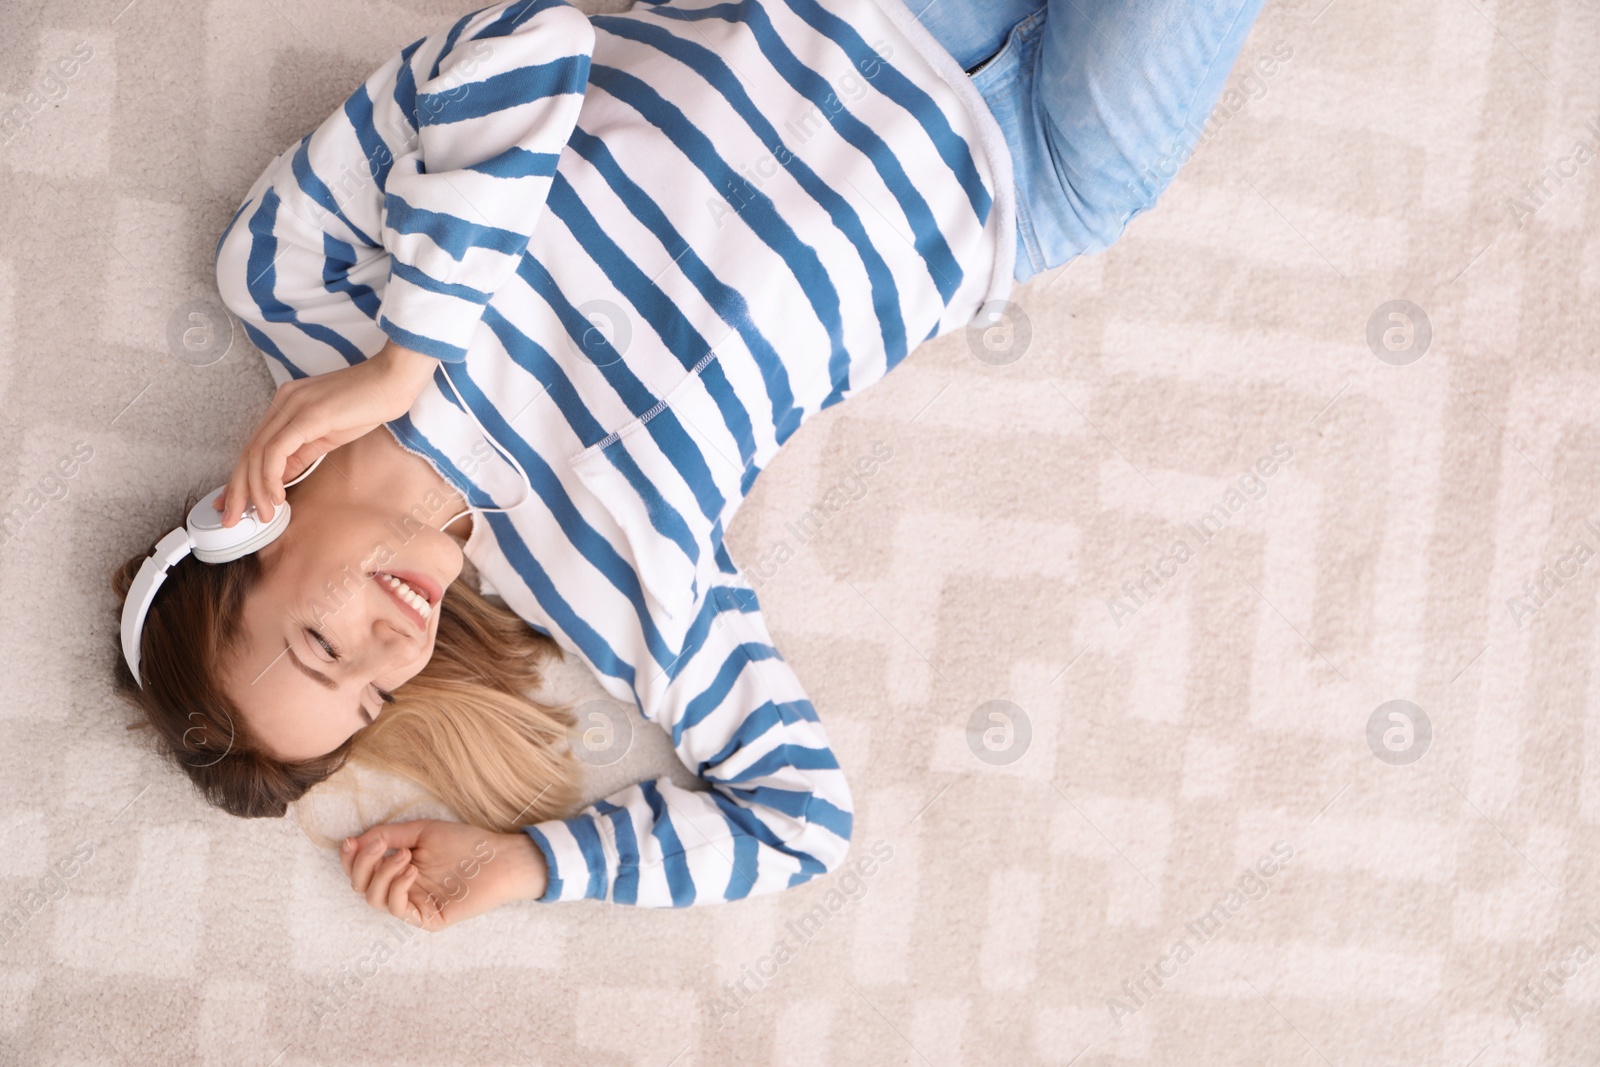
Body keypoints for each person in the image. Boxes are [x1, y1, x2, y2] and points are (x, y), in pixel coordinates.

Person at [112, 0, 1267, 929]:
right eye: (369, 696)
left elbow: (532, 41)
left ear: (242, 522)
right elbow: (800, 820)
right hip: (1034, 178)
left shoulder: (287, 283)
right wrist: (529, 867)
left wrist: (406, 360)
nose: (391, 650)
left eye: (321, 644)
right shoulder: (596, 590)